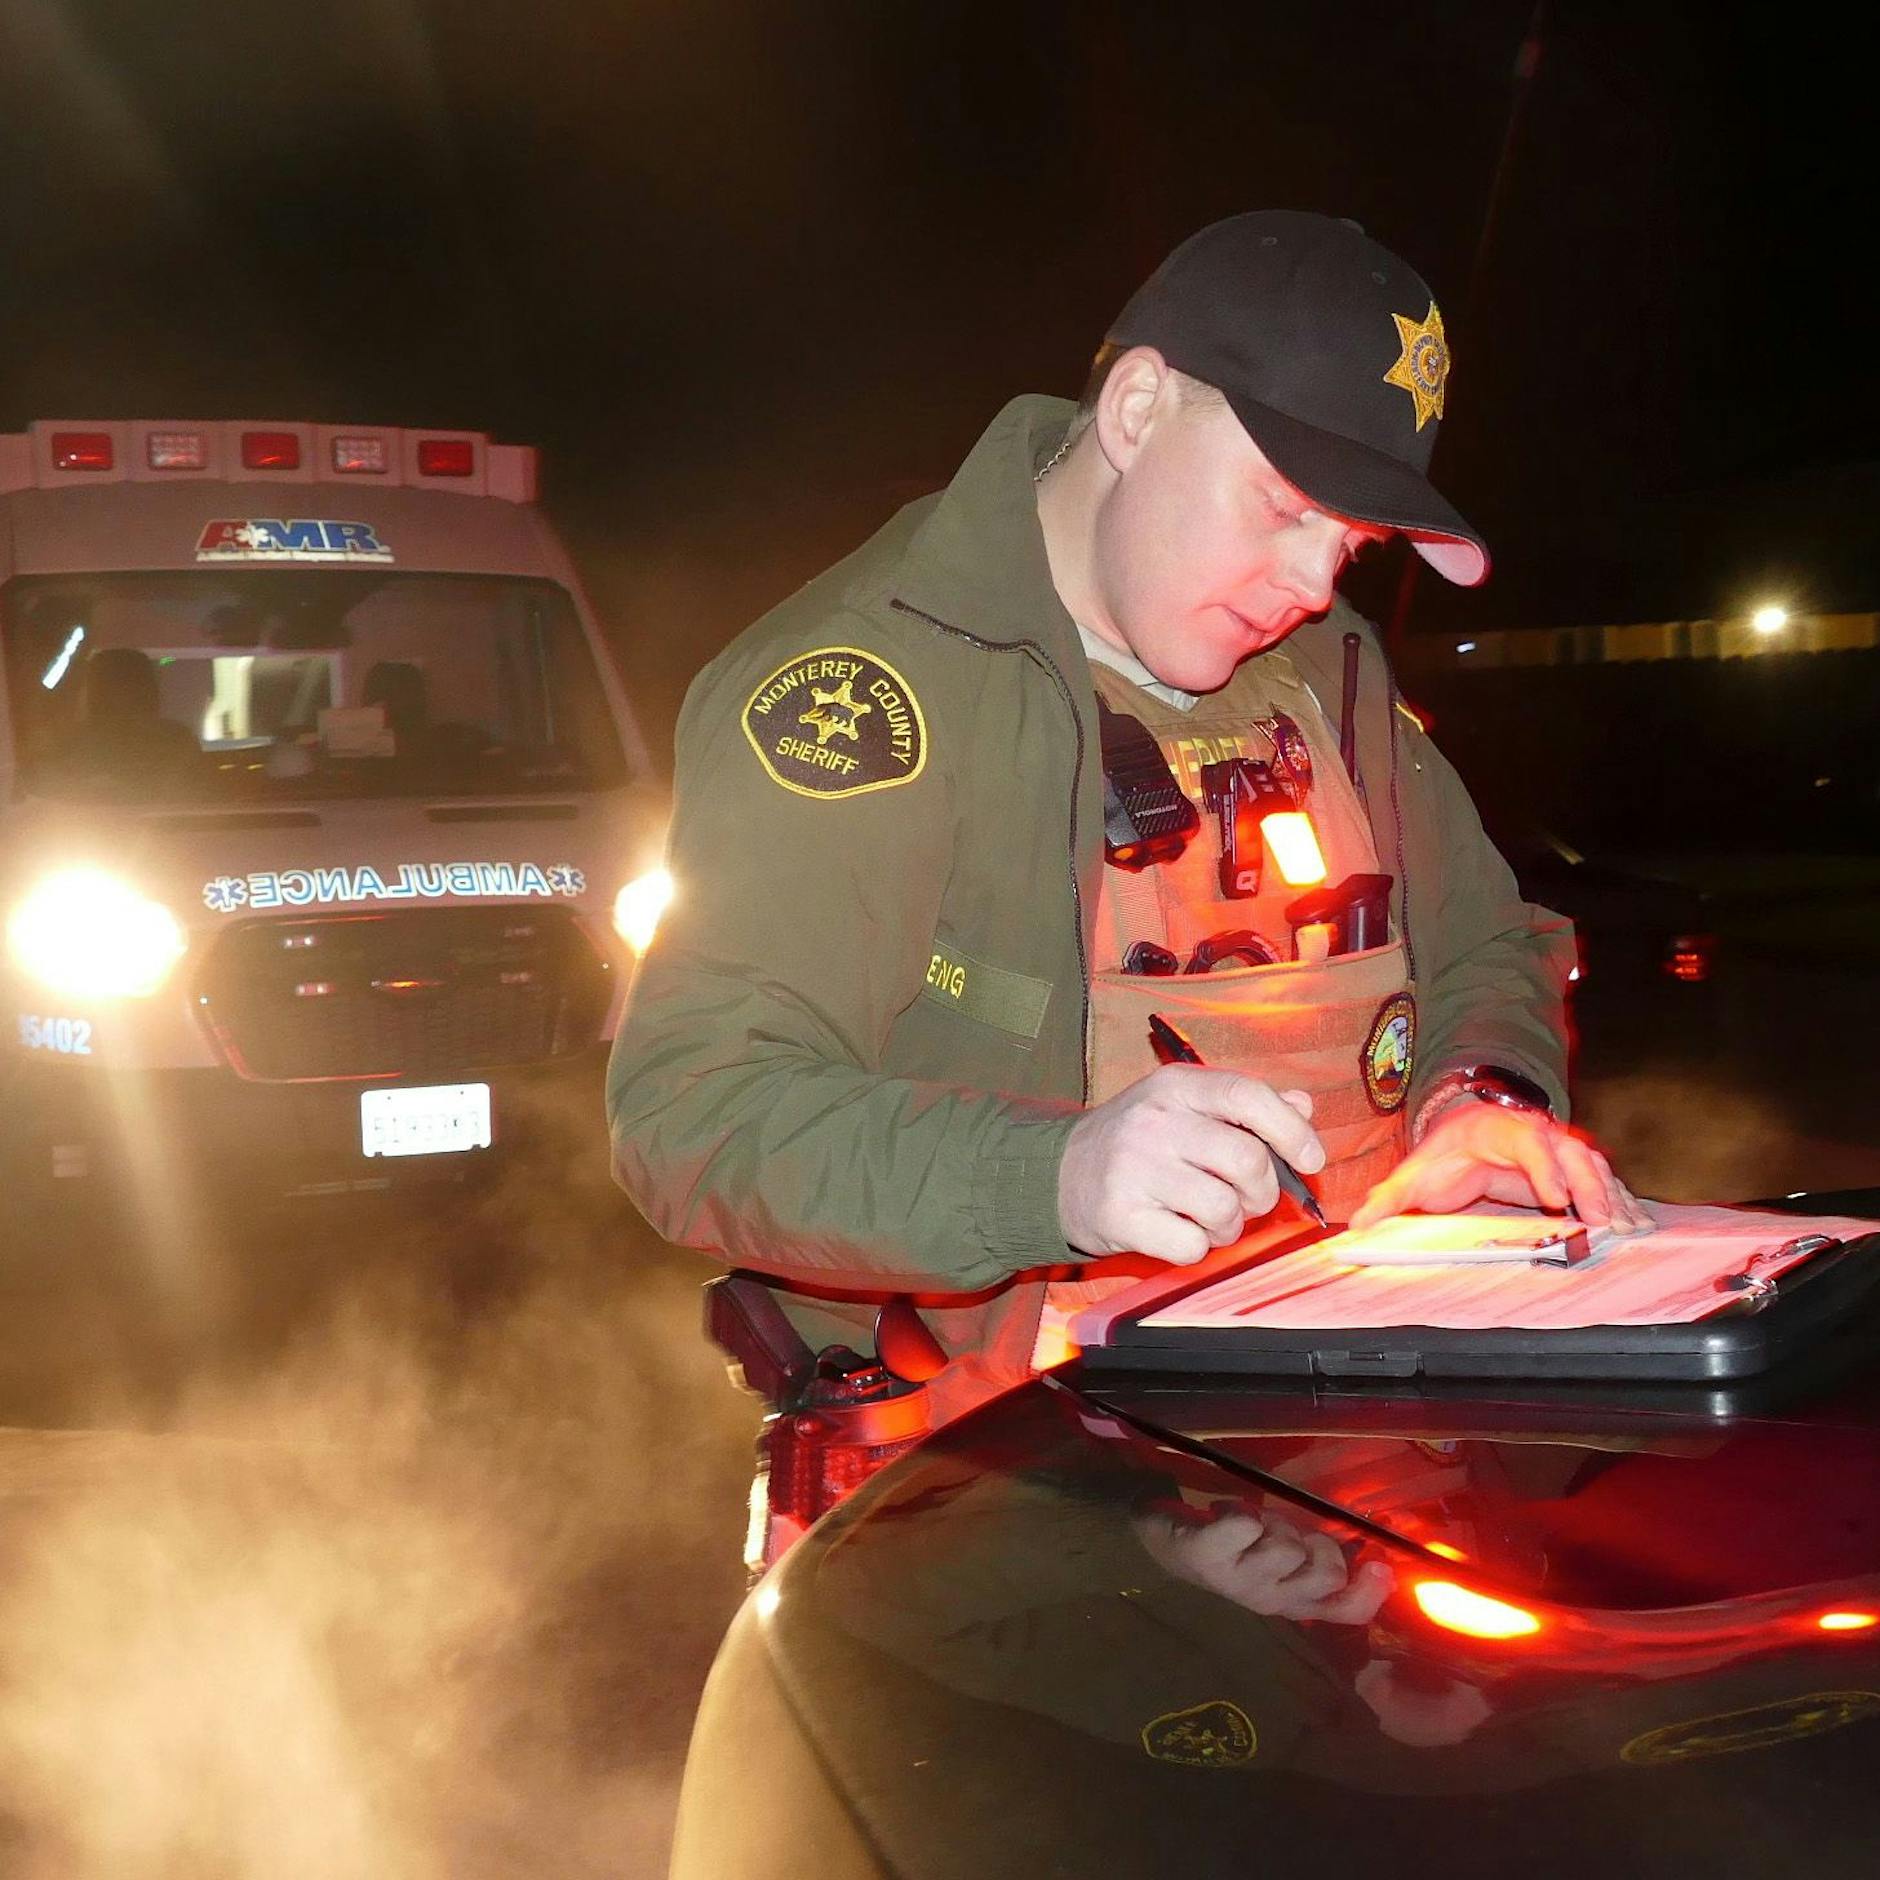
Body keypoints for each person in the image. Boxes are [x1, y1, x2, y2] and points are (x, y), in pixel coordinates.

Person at [607, 210, 1644, 1431]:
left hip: (1344, 1431)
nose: (1312, 584)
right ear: (1139, 408)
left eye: (1352, 545)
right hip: (994, 1462)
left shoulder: (1326, 668)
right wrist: (1052, 1174)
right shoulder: (866, 694)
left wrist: (1471, 1095)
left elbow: (1485, 942)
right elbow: (696, 1110)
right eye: (1283, 506)